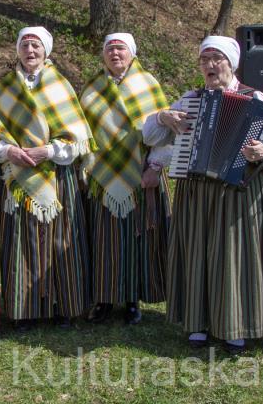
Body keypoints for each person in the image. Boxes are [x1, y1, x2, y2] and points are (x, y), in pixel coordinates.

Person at [151, 36, 263, 354]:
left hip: (239, 191)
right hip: (197, 191)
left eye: (218, 59)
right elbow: (152, 135)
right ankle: (198, 323)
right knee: (197, 252)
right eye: (205, 59)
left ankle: (236, 326)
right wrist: (162, 117)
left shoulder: (257, 100)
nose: (211, 66)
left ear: (232, 63)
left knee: (234, 255)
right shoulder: (190, 99)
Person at [0, 26, 94, 329]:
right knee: (20, 242)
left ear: (46, 51)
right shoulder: (4, 88)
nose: (30, 51)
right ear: (17, 50)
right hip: (16, 177)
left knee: (61, 241)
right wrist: (8, 151)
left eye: (36, 46)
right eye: (25, 45)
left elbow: (77, 140)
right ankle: (25, 310)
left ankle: (64, 306)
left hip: (57, 176)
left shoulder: (60, 86)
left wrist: (47, 151)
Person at [80, 33, 171, 325]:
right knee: (104, 240)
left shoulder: (148, 85)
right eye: (110, 49)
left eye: (120, 48)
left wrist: (155, 168)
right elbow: (83, 131)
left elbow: (167, 132)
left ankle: (133, 301)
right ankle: (104, 300)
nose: (115, 53)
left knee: (137, 239)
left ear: (132, 53)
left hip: (141, 172)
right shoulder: (92, 88)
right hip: (102, 174)